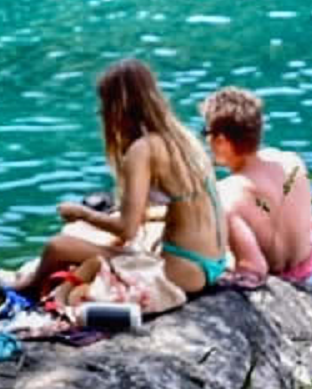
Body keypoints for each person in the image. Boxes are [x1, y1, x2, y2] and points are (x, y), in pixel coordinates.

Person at [16, 58, 227, 301]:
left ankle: (28, 289)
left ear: (118, 107)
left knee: (57, 247)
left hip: (182, 272)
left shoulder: (143, 149)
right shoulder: (182, 138)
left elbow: (128, 229)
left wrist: (82, 213)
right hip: (211, 263)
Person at [200, 87, 312, 283]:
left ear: (222, 141)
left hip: (276, 274)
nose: (206, 140)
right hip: (307, 265)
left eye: (206, 132)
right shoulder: (292, 162)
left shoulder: (227, 195)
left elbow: (254, 269)